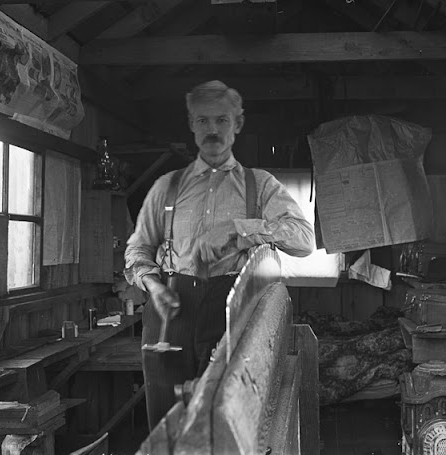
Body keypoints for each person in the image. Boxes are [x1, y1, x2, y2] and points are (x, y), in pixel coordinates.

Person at [124, 80, 315, 429]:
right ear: (192, 124)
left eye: (222, 120)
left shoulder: (262, 185)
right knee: (168, 426)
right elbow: (137, 250)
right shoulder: (166, 187)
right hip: (171, 312)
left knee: (222, 426)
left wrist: (240, 229)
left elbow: (304, 239)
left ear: (237, 125)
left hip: (232, 307)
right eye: (203, 121)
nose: (212, 130)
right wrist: (154, 286)